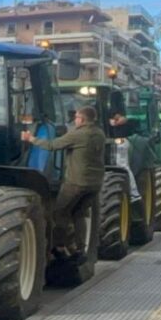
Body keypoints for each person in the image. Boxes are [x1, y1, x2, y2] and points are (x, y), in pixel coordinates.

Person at [22, 106, 106, 257]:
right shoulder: (99, 133)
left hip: (76, 183)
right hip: (95, 184)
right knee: (79, 214)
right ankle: (80, 249)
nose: (75, 120)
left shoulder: (78, 134)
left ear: (82, 119)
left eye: (76, 118)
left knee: (59, 212)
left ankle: (60, 247)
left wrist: (31, 139)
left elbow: (52, 145)